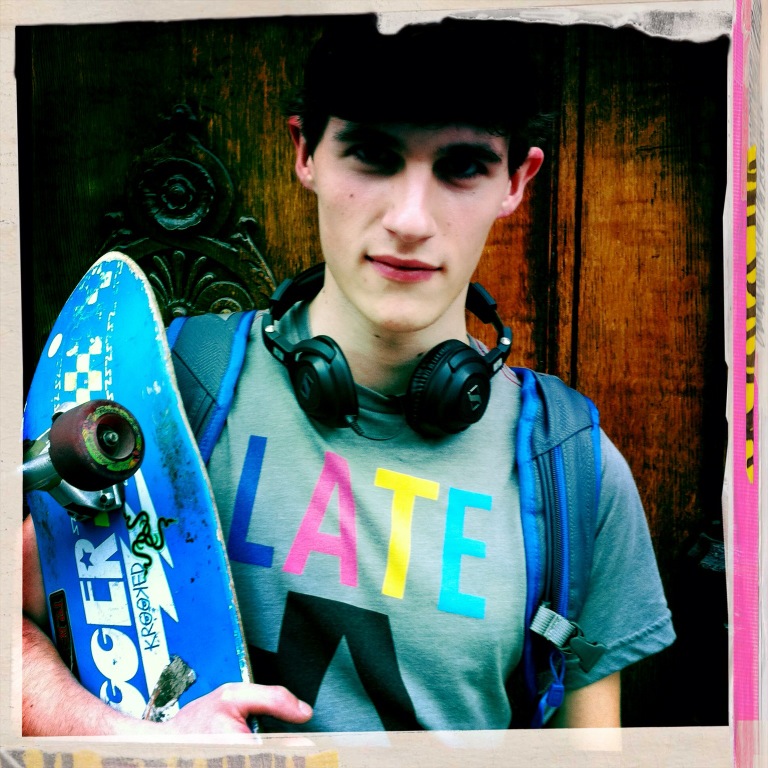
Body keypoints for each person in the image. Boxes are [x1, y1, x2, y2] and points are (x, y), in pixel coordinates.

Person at [22, 16, 675, 735]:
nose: (411, 220)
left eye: (462, 167)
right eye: (371, 155)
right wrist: (134, 743)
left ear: (517, 182)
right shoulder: (165, 388)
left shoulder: (573, 472)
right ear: (306, 152)